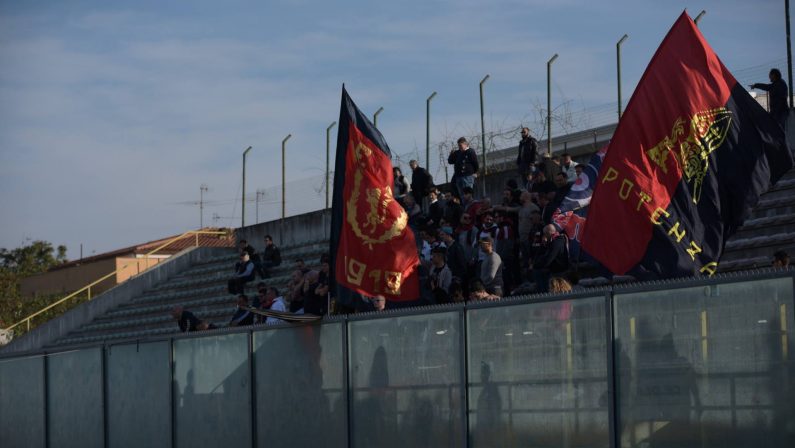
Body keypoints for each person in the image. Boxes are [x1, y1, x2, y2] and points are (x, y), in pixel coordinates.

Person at [532, 224, 569, 293]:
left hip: (559, 272)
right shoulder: (552, 242)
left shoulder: (557, 242)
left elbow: (548, 259)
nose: (544, 236)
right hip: (554, 270)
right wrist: (544, 245)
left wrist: (536, 265)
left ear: (549, 233)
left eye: (545, 234)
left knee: (539, 273)